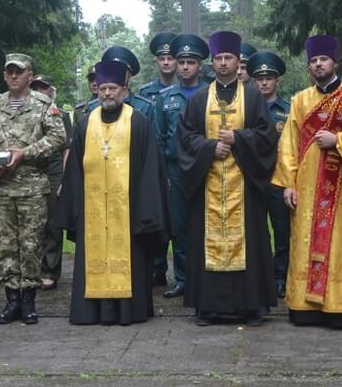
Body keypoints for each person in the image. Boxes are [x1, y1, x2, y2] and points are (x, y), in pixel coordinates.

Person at [274, 35, 342, 328]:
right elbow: (288, 144)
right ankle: (305, 308)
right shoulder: (300, 100)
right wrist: (289, 184)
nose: (318, 64)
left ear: (335, 63)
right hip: (307, 189)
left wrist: (338, 139)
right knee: (306, 243)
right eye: (313, 61)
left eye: (323, 59)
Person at [176, 30, 277, 326]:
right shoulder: (198, 100)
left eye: (228, 58)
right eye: (218, 58)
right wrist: (210, 148)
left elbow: (267, 137)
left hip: (244, 186)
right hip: (208, 183)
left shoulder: (254, 97)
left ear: (237, 61)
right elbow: (185, 138)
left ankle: (251, 306)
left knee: (249, 241)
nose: (222, 63)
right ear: (212, 61)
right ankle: (207, 307)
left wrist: (237, 138)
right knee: (206, 242)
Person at [59, 60, 169, 325]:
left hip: (128, 211)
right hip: (93, 209)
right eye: (103, 89)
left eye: (113, 88)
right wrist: (73, 206)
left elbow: (150, 169)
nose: (107, 94)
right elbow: (75, 169)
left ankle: (127, 311)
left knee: (130, 255)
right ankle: (92, 311)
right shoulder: (86, 124)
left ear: (123, 89)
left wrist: (146, 210)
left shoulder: (138, 122)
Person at [0, 53, 66, 325]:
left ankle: (29, 301)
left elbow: (57, 137)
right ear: (5, 75)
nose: (14, 76)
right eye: (10, 72)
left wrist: (25, 153)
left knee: (30, 246)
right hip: (3, 187)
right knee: (6, 246)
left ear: (30, 74)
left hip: (32, 187)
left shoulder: (43, 104)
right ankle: (11, 300)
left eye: (19, 71)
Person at [152, 33, 209, 298]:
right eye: (182, 61)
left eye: (191, 62)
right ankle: (184, 279)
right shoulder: (165, 98)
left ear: (200, 66)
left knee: (208, 223)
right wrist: (163, 174)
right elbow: (159, 138)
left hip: (207, 167)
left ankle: (207, 276)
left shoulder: (212, 93)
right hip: (176, 171)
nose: (185, 66)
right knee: (180, 226)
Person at [249, 49, 292, 299]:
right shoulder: (246, 109)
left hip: (278, 178)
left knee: (282, 230)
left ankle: (279, 276)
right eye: (260, 78)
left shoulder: (289, 110)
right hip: (253, 178)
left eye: (269, 78)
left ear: (277, 81)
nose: (264, 82)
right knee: (255, 229)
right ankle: (258, 275)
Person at [28, 73, 73, 291]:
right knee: (30, 224)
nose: (38, 91)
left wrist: (65, 179)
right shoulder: (24, 113)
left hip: (54, 173)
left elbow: (66, 149)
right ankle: (30, 269)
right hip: (30, 173)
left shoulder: (60, 115)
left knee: (53, 224)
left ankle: (50, 271)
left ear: (50, 91)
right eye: (35, 87)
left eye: (43, 87)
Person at [138, 32, 178, 104]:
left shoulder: (184, 89)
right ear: (156, 62)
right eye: (162, 59)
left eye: (170, 58)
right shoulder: (146, 92)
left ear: (177, 62)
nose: (166, 62)